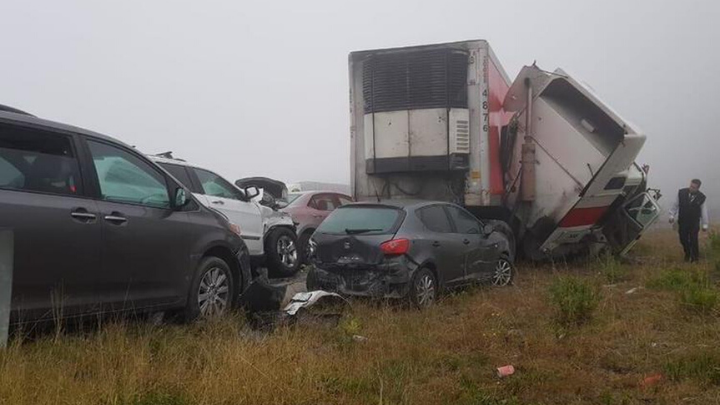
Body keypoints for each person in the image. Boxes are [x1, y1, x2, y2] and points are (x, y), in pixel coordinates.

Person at [669, 179, 709, 262]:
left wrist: (705, 224)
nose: (691, 188)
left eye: (694, 187)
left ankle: (695, 258)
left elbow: (703, 211)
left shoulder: (702, 197)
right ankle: (688, 253)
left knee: (694, 239)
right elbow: (675, 205)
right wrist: (672, 215)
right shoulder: (681, 193)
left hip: (694, 222)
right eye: (691, 186)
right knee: (683, 239)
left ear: (698, 188)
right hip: (683, 221)